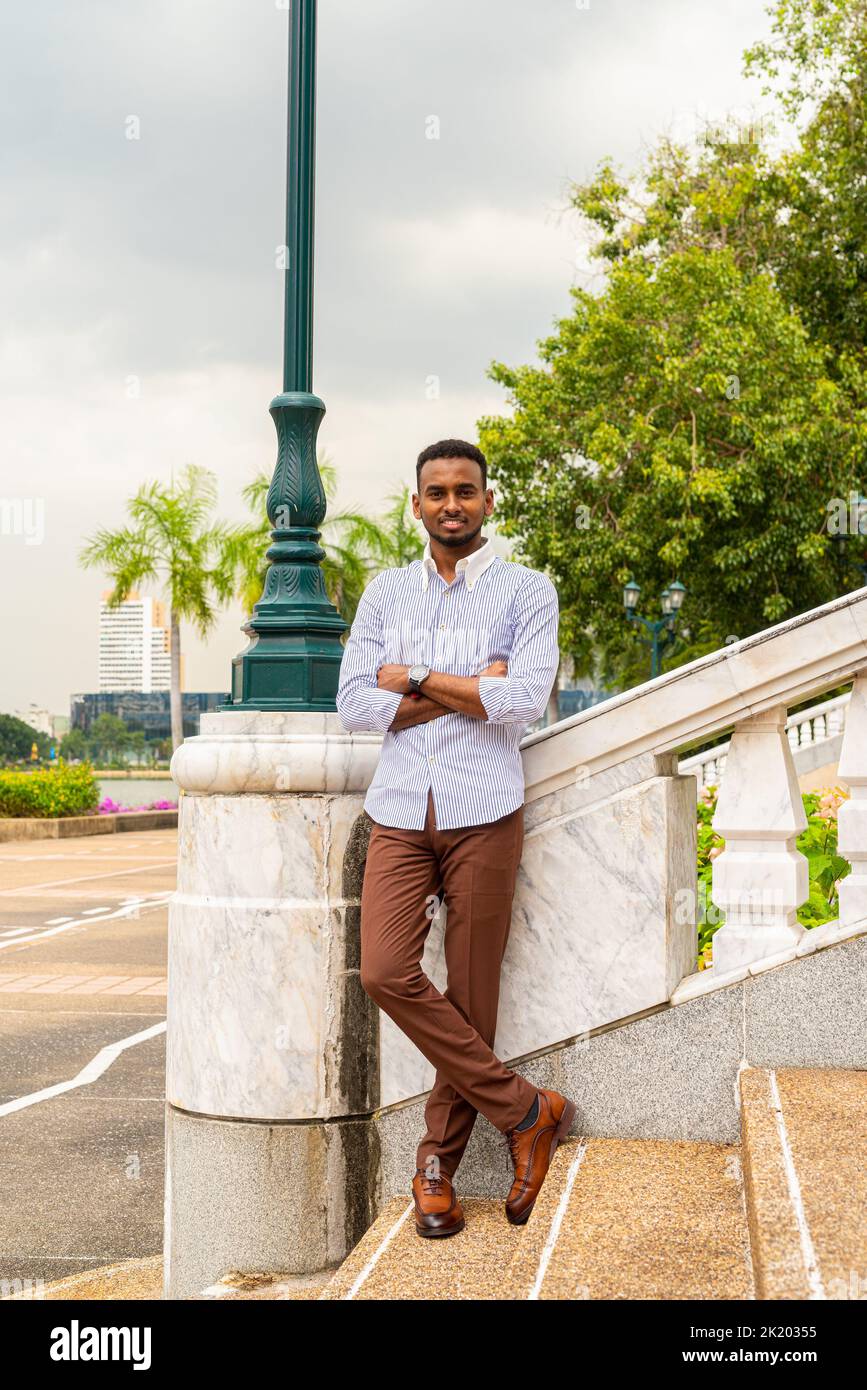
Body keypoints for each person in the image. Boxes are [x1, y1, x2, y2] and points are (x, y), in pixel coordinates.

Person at [335, 438, 576, 1238]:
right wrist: (471, 685)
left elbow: (521, 703)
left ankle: (434, 1163)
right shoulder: (383, 594)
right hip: (401, 813)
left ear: (487, 501)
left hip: (484, 812)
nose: (450, 504)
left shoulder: (524, 591)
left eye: (464, 491)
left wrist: (407, 678)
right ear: (416, 505)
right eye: (435, 492)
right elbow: (352, 706)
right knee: (383, 969)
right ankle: (526, 1110)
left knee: (470, 999)